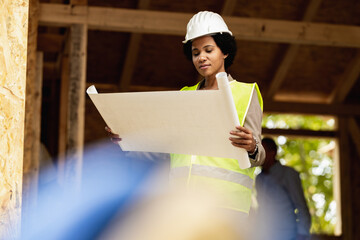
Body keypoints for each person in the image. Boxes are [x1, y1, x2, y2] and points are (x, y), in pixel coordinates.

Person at [106, 11, 265, 218]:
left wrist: (252, 146)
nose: (201, 57)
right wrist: (126, 139)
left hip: (227, 209)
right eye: (195, 52)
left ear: (225, 51)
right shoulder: (185, 94)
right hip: (183, 205)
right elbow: (167, 145)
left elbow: (259, 154)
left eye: (208, 50)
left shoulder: (246, 93)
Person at [255, 137, 311, 240]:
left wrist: (302, 233)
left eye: (263, 151)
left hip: (287, 234)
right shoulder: (259, 179)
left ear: (273, 153)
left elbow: (301, 205)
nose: (259, 155)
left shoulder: (288, 174)